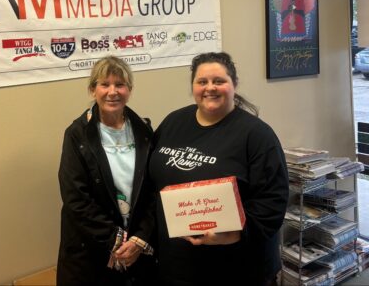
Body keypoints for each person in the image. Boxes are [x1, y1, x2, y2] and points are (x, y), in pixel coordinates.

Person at [148, 52, 289, 286]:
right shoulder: (173, 122)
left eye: (219, 81)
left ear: (234, 84)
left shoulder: (257, 135)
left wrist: (234, 234)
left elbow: (273, 201)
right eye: (202, 81)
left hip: (236, 268)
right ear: (193, 86)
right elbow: (151, 181)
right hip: (176, 264)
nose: (210, 88)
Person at [57, 56, 156, 286]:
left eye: (120, 84)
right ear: (93, 90)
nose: (113, 92)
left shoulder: (144, 131)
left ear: (129, 90)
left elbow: (153, 190)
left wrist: (140, 238)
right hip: (92, 250)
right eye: (105, 84)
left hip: (136, 247)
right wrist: (116, 240)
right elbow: (75, 198)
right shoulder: (77, 134)